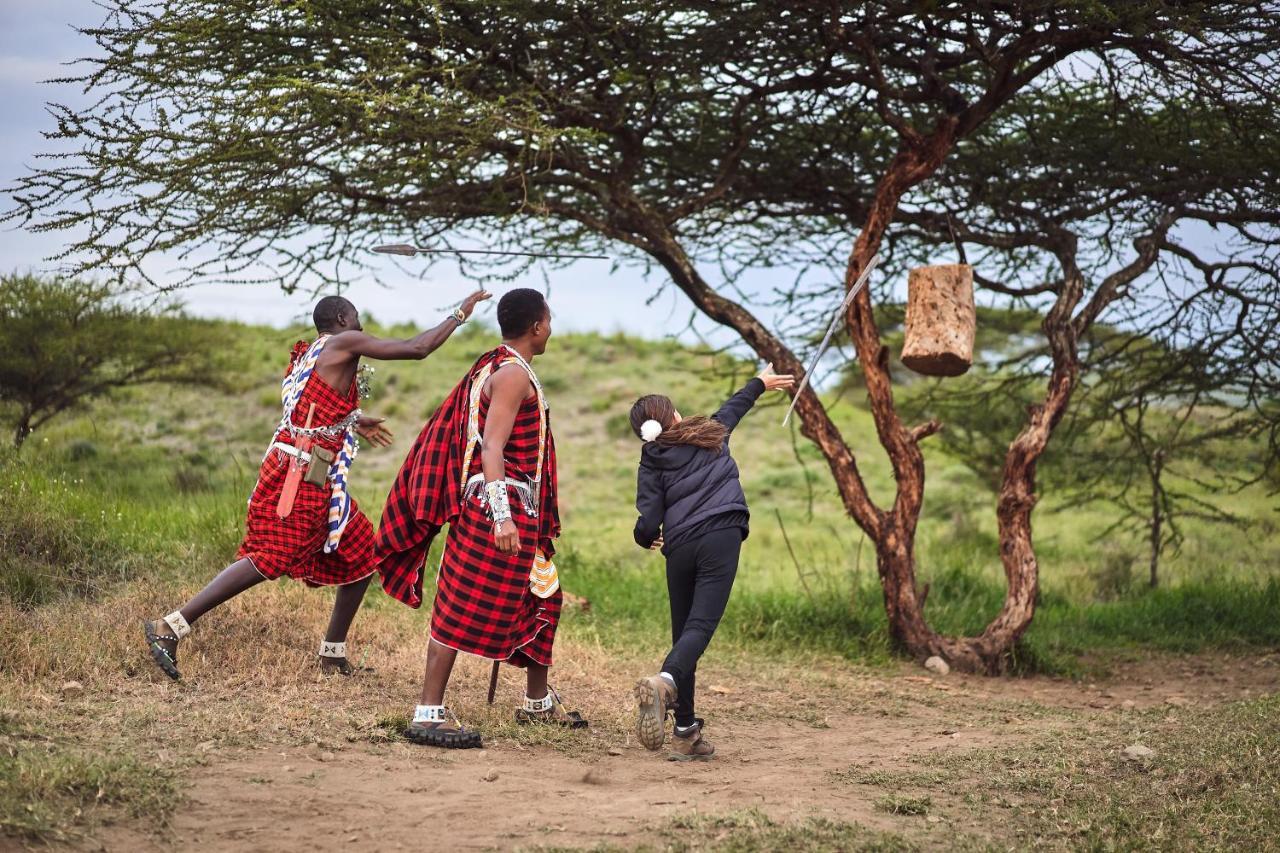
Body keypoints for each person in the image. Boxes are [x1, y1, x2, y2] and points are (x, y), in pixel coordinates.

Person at [143, 290, 490, 680]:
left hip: (311, 471)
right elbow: (417, 348)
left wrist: (352, 421)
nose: (362, 327)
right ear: (342, 320)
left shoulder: (311, 355)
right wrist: (460, 313)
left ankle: (332, 654)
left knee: (361, 554)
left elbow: (310, 409)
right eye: (357, 318)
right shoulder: (344, 342)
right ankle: (169, 626)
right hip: (299, 472)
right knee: (269, 557)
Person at [376, 288, 586, 748]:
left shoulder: (506, 367)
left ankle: (537, 705)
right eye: (548, 320)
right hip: (496, 510)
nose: (551, 328)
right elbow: (492, 447)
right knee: (458, 604)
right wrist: (502, 517)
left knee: (545, 596)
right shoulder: (510, 374)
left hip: (515, 510)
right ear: (537, 326)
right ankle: (427, 713)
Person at [628, 364, 795, 760]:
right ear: (675, 417)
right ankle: (665, 682)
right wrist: (761, 382)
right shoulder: (711, 433)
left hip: (680, 546)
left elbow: (648, 520)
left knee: (684, 633)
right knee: (700, 628)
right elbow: (734, 407)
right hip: (721, 535)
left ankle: (685, 731)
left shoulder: (650, 459)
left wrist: (645, 537)